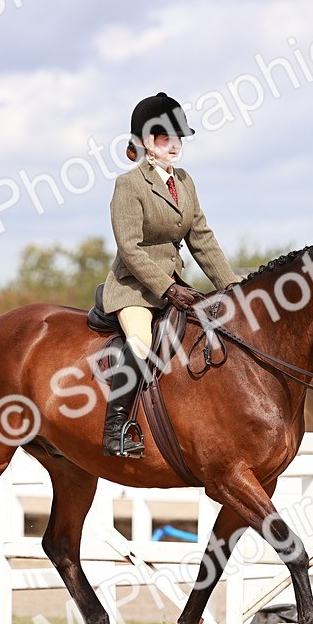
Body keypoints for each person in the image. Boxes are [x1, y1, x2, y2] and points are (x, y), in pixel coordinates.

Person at [101, 92, 243, 457]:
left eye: (179, 138)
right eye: (166, 138)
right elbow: (129, 249)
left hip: (175, 286)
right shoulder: (129, 185)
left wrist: (234, 287)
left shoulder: (185, 182)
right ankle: (115, 428)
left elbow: (202, 240)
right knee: (142, 344)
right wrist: (166, 288)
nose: (175, 145)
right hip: (134, 288)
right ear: (147, 143)